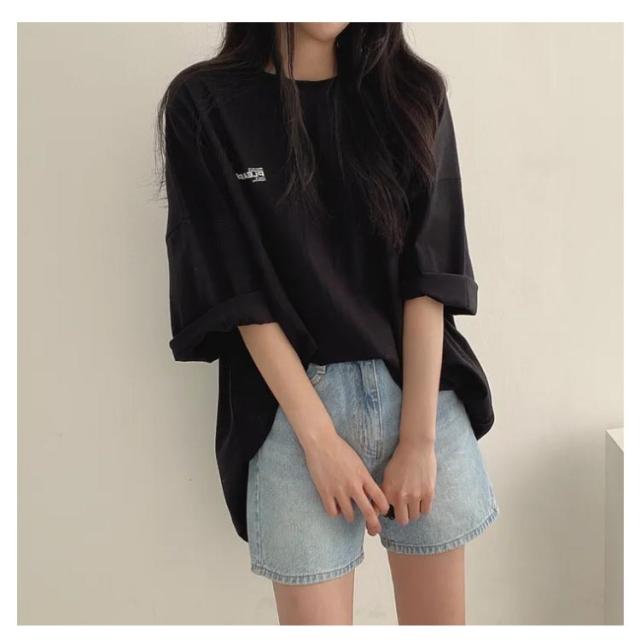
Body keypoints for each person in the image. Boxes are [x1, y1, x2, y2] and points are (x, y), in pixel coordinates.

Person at [156, 22, 499, 625]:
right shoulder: (204, 104)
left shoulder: (413, 93)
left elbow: (430, 277)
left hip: (421, 401)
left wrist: (418, 440)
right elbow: (236, 291)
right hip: (290, 414)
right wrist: (318, 440)